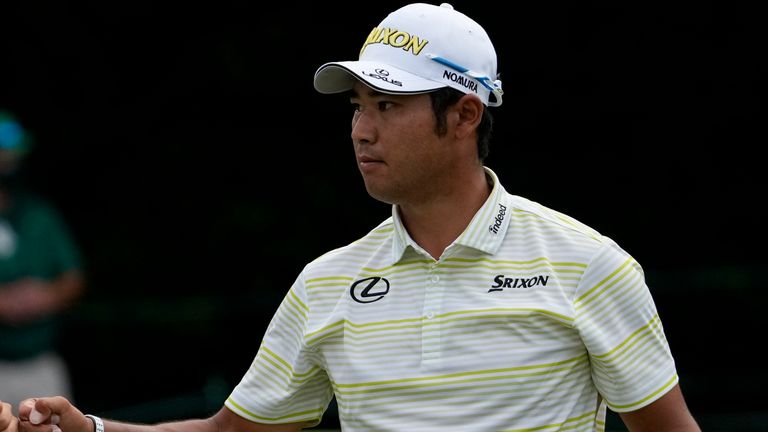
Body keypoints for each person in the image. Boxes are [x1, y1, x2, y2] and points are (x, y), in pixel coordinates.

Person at [3, 3, 700, 431]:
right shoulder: (326, 283)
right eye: (357, 106)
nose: (362, 131)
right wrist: (89, 430)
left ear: (464, 115)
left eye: (388, 106)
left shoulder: (588, 264)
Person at [0, 110, 86, 412]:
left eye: (13, 153)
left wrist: (44, 296)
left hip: (40, 363)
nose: (11, 161)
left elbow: (73, 276)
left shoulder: (39, 215)